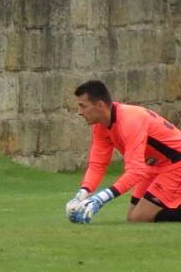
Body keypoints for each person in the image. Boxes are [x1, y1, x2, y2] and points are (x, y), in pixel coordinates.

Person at [65, 80, 181, 224]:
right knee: (133, 218)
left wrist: (100, 198)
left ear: (100, 105)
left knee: (140, 217)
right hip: (154, 165)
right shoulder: (101, 126)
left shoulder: (130, 120)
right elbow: (97, 165)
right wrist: (82, 195)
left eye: (83, 106)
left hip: (176, 164)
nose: (79, 112)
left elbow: (136, 170)